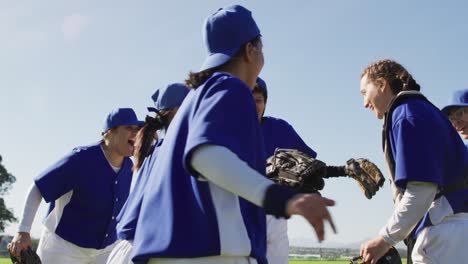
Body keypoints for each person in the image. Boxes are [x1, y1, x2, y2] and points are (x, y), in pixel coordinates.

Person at [131, 5, 336, 264]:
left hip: (174, 251)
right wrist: (280, 197)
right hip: (209, 253)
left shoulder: (197, 96)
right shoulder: (230, 85)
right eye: (261, 46)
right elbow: (205, 155)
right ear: (251, 50)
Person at [358, 59, 468, 264]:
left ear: (382, 84)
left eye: (365, 92)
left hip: (445, 234)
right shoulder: (423, 110)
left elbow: (421, 190)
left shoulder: (406, 113)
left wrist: (385, 239)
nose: (364, 103)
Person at [7, 108, 143, 264]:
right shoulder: (81, 158)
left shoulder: (128, 166)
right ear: (110, 132)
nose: (135, 133)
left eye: (137, 129)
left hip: (105, 251)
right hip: (64, 248)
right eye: (129, 128)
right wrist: (23, 231)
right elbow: (37, 188)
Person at [106, 83, 189, 264]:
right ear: (176, 111)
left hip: (132, 248)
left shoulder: (161, 148)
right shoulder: (178, 149)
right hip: (144, 249)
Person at [253, 77, 318, 264]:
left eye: (258, 100)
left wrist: (341, 171)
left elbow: (310, 163)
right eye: (249, 99)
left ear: (265, 103)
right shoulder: (232, 131)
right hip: (241, 213)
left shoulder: (279, 128)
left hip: (275, 215)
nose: (254, 105)